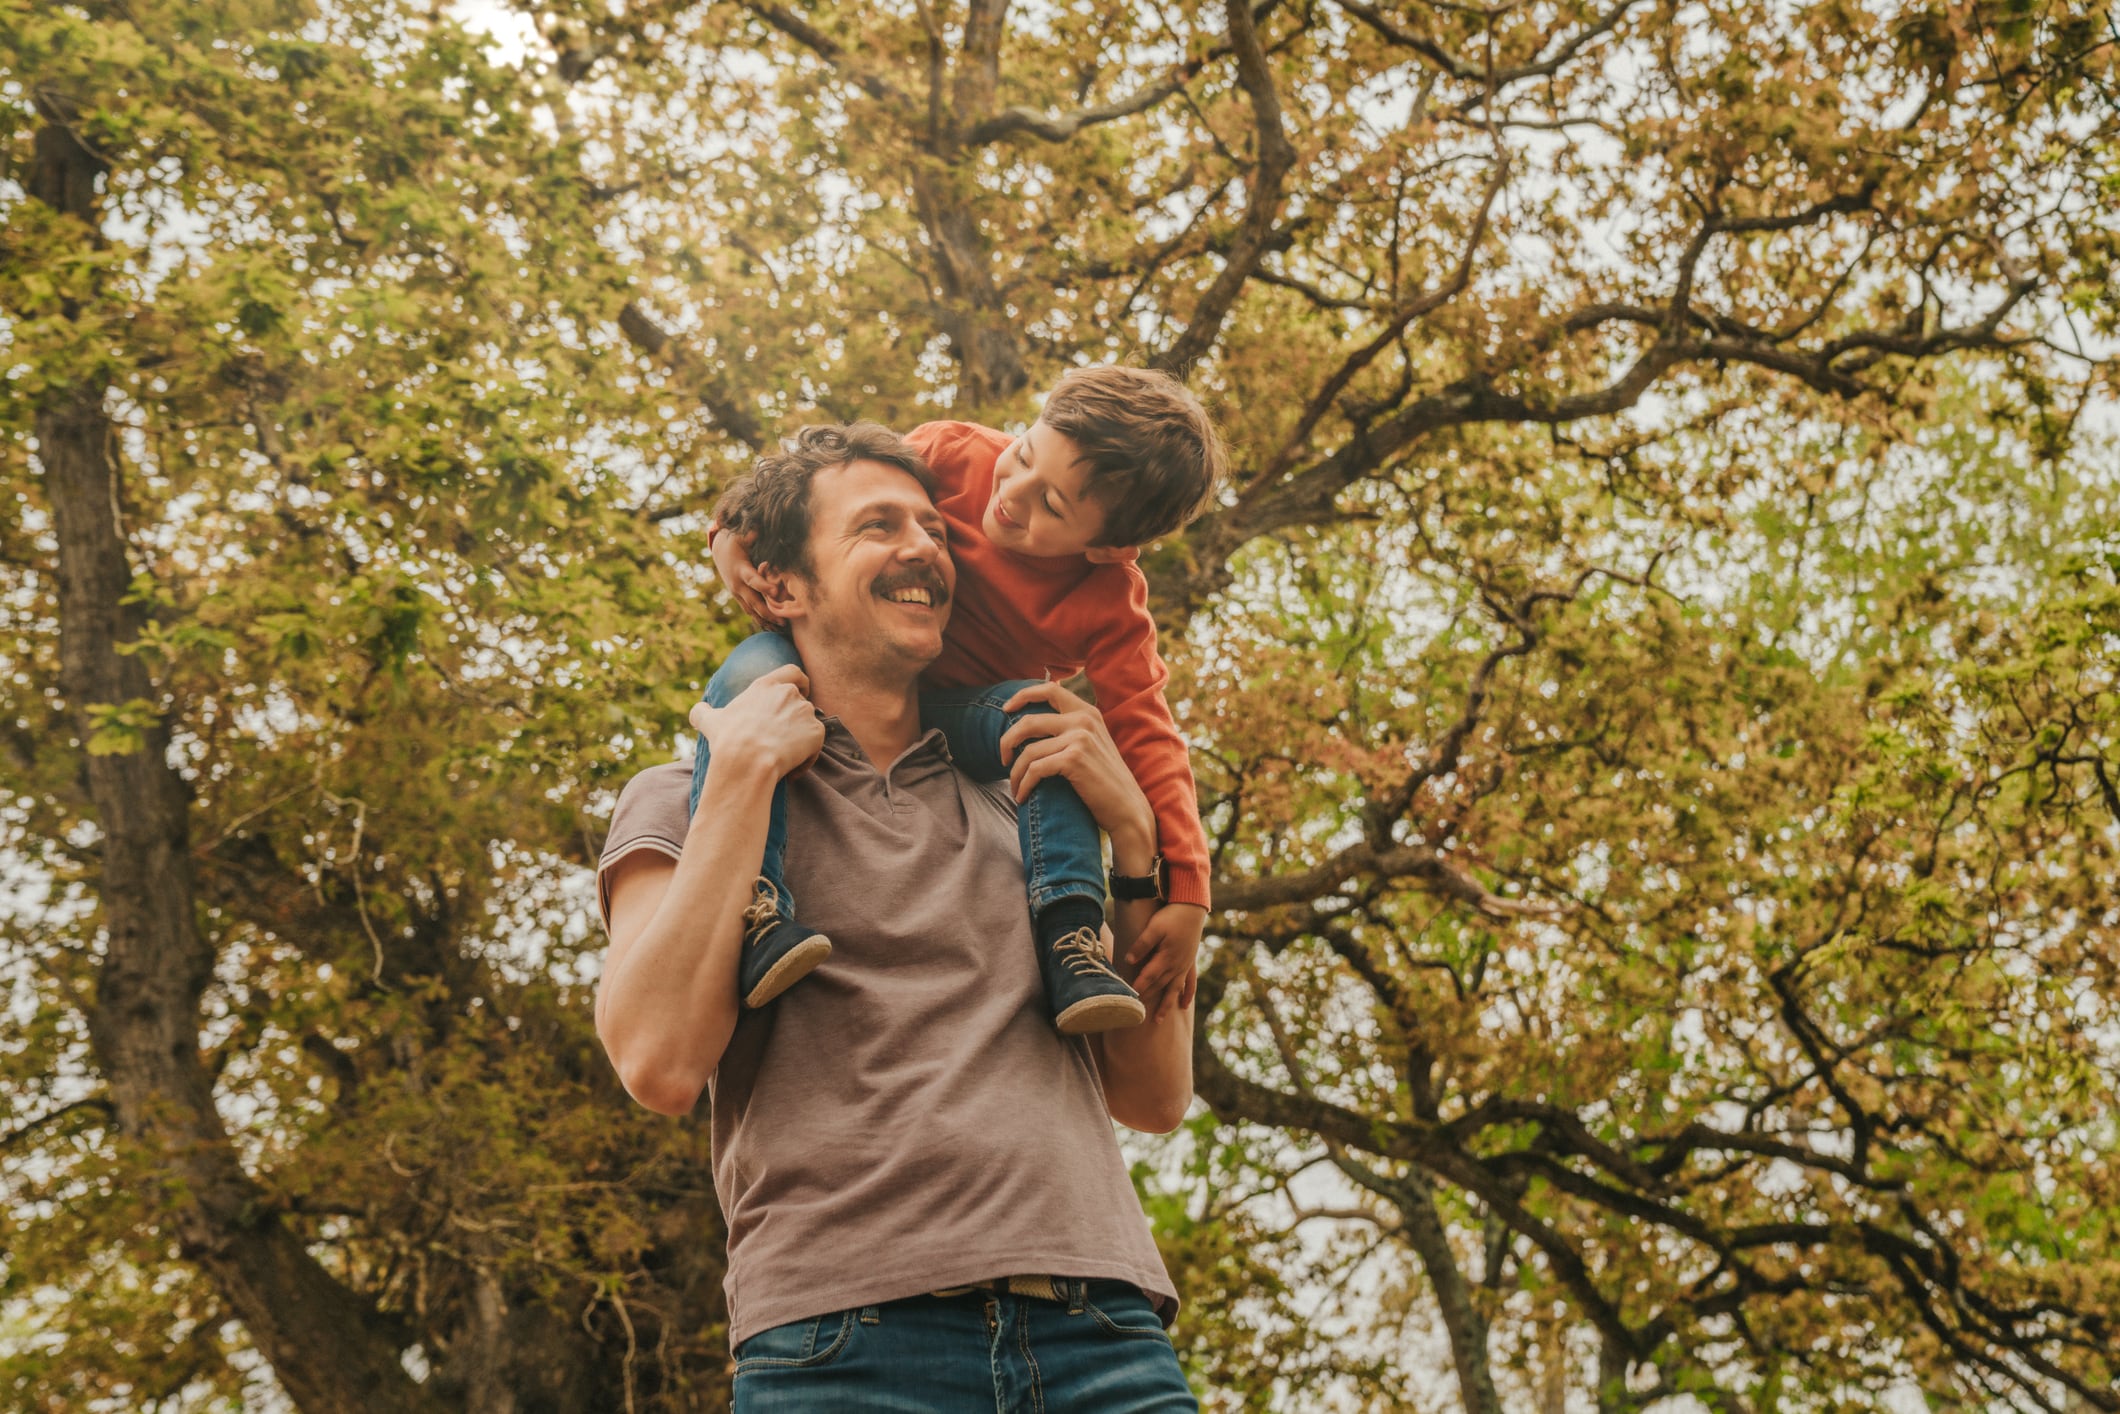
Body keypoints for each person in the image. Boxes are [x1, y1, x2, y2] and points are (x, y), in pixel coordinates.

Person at [593, 422, 1199, 1411]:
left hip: (1102, 1333)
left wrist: (1136, 846)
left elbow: (1152, 1095)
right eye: (877, 526)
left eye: (932, 527)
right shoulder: (680, 801)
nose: (926, 546)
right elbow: (657, 1063)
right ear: (782, 586)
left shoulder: (1035, 803)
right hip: (843, 1347)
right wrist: (743, 778)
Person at [692, 367, 1222, 1033]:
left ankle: (1070, 933)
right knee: (749, 679)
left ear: (1109, 547)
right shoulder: (952, 452)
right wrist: (729, 542)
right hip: (822, 670)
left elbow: (1147, 730)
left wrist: (1188, 892)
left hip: (955, 717)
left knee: (1050, 728)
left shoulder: (1111, 602)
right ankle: (754, 907)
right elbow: (818, 492)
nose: (1014, 493)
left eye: (1052, 505)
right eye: (1024, 454)